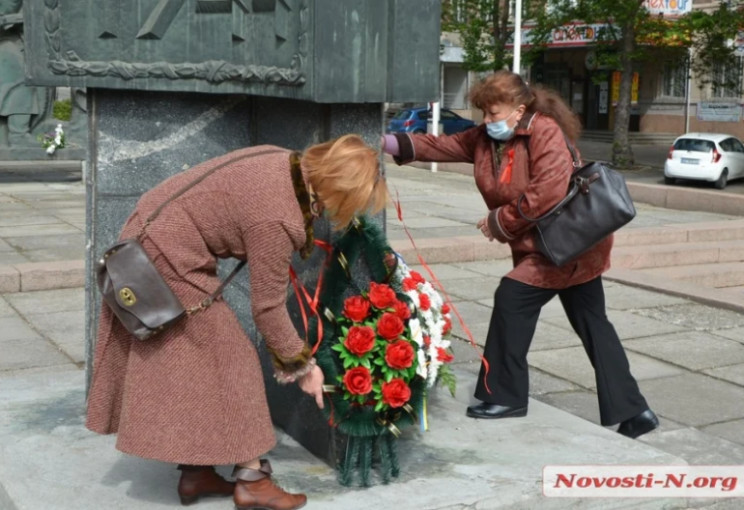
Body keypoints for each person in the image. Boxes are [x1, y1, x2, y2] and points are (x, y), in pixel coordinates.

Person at [86, 134, 388, 510]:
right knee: (234, 363)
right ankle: (252, 480)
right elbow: (267, 309)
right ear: (338, 190)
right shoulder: (278, 217)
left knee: (200, 363)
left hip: (155, 231)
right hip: (164, 257)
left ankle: (197, 475)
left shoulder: (283, 159)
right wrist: (304, 366)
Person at [382, 71, 658, 440]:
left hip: (568, 247)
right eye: (484, 113)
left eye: (494, 113)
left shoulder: (544, 132)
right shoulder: (484, 138)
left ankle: (507, 396)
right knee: (594, 325)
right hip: (550, 245)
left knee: (512, 297)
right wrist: (386, 142)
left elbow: (548, 192)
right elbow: (442, 146)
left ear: (520, 109)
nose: (487, 121)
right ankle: (635, 411)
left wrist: (500, 221)